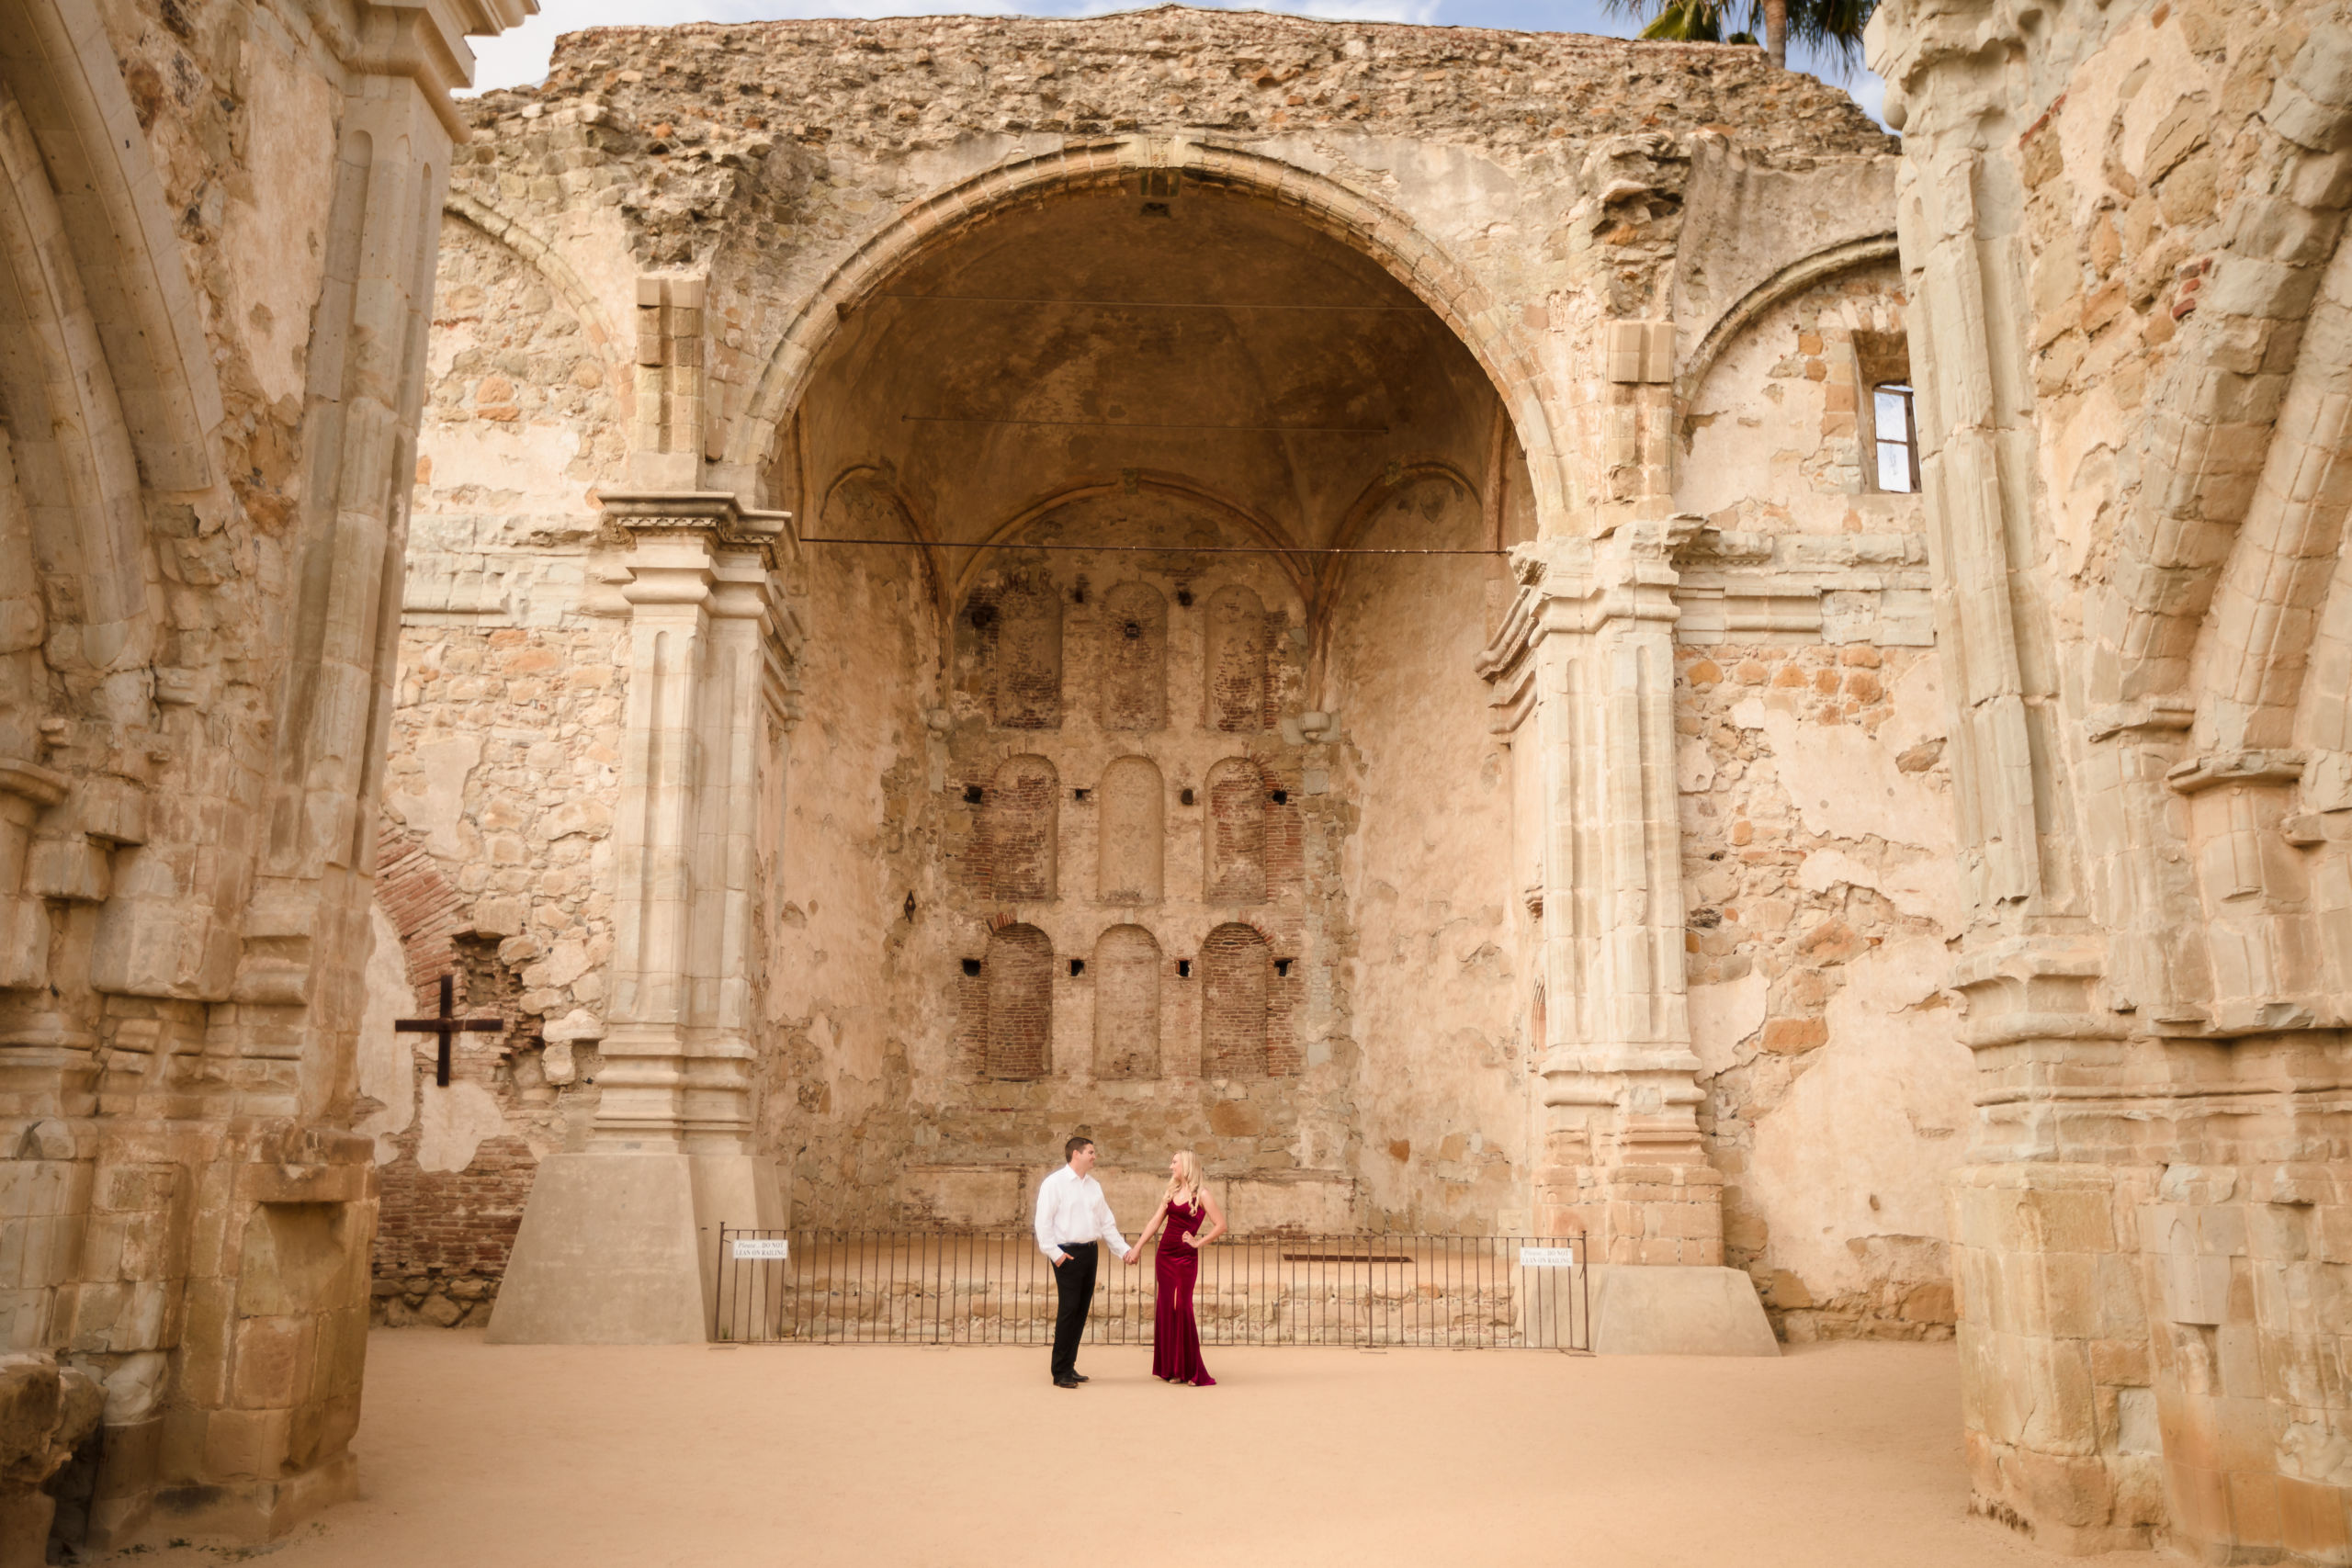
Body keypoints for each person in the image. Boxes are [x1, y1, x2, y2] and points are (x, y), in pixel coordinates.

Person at [1034, 1134, 1134, 1388]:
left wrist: (1123, 1250)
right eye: (1091, 1152)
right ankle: (1060, 1371)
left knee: (1080, 1312)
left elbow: (1106, 1222)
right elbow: (1042, 1223)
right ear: (1076, 1154)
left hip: (1090, 1252)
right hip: (1067, 1254)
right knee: (1068, 1311)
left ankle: (1070, 1365)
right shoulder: (1053, 1184)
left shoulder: (1093, 1186)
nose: (1094, 1156)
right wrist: (1055, 1255)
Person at [1128, 1149, 1225, 1386]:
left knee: (1181, 1307)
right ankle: (1174, 1369)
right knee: (1166, 1309)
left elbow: (1221, 1224)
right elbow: (1155, 1221)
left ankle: (1191, 1369)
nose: (1171, 1167)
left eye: (1174, 1163)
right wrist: (1138, 1247)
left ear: (1187, 1165)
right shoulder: (1171, 1192)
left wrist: (1198, 1242)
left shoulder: (1202, 1194)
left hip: (1185, 1257)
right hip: (1165, 1256)